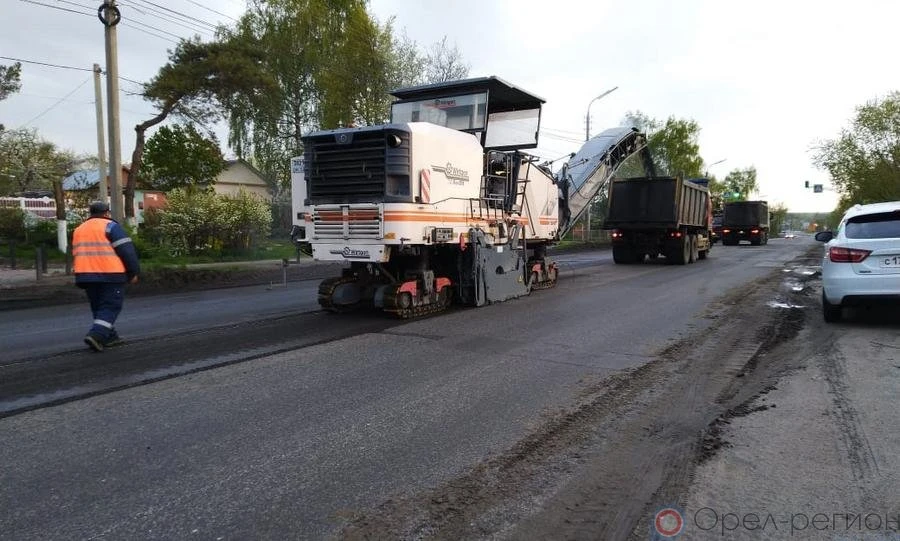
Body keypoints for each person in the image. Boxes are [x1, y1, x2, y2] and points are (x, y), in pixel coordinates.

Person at [72, 201, 140, 352]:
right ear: (107, 213)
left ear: (91, 213)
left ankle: (110, 337)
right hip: (110, 274)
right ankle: (97, 335)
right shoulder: (110, 226)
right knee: (110, 306)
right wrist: (133, 272)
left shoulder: (79, 229)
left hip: (85, 275)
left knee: (99, 307)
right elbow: (127, 251)